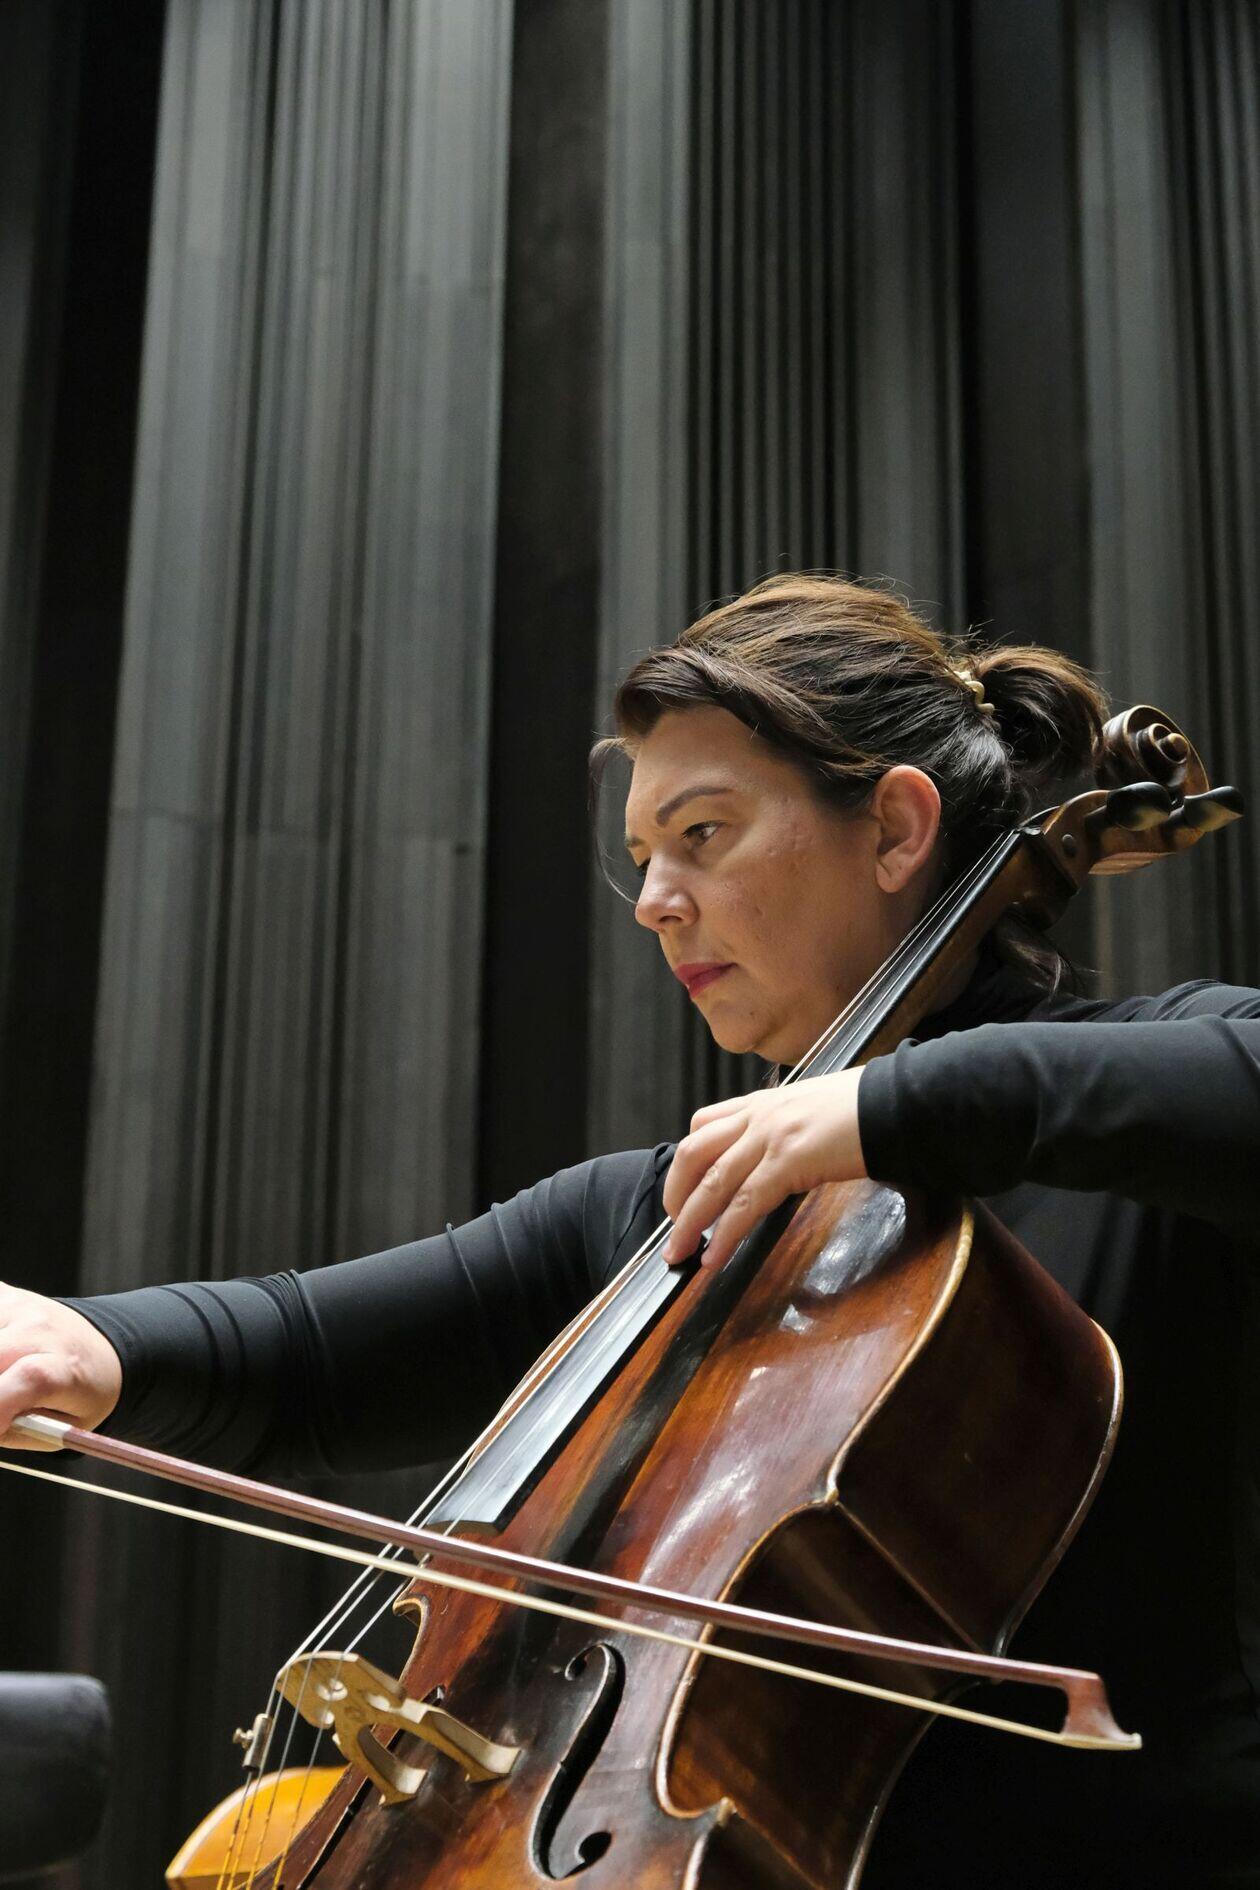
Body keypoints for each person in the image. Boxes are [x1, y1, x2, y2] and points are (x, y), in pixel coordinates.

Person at [1, 574, 1257, 1888]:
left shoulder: (1158, 1099)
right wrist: (81, 1343)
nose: (656, 898)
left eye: (703, 832)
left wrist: (894, 1102)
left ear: (894, 828)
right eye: (646, 854)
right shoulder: (682, 1215)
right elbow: (308, 1353)